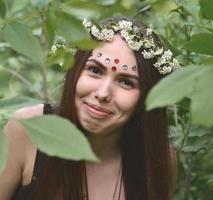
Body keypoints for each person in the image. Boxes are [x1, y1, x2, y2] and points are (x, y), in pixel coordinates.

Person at [0, 16, 179, 200]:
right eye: (95, 70)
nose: (102, 93)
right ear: (75, 70)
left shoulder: (158, 159)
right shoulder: (28, 129)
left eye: (126, 82)